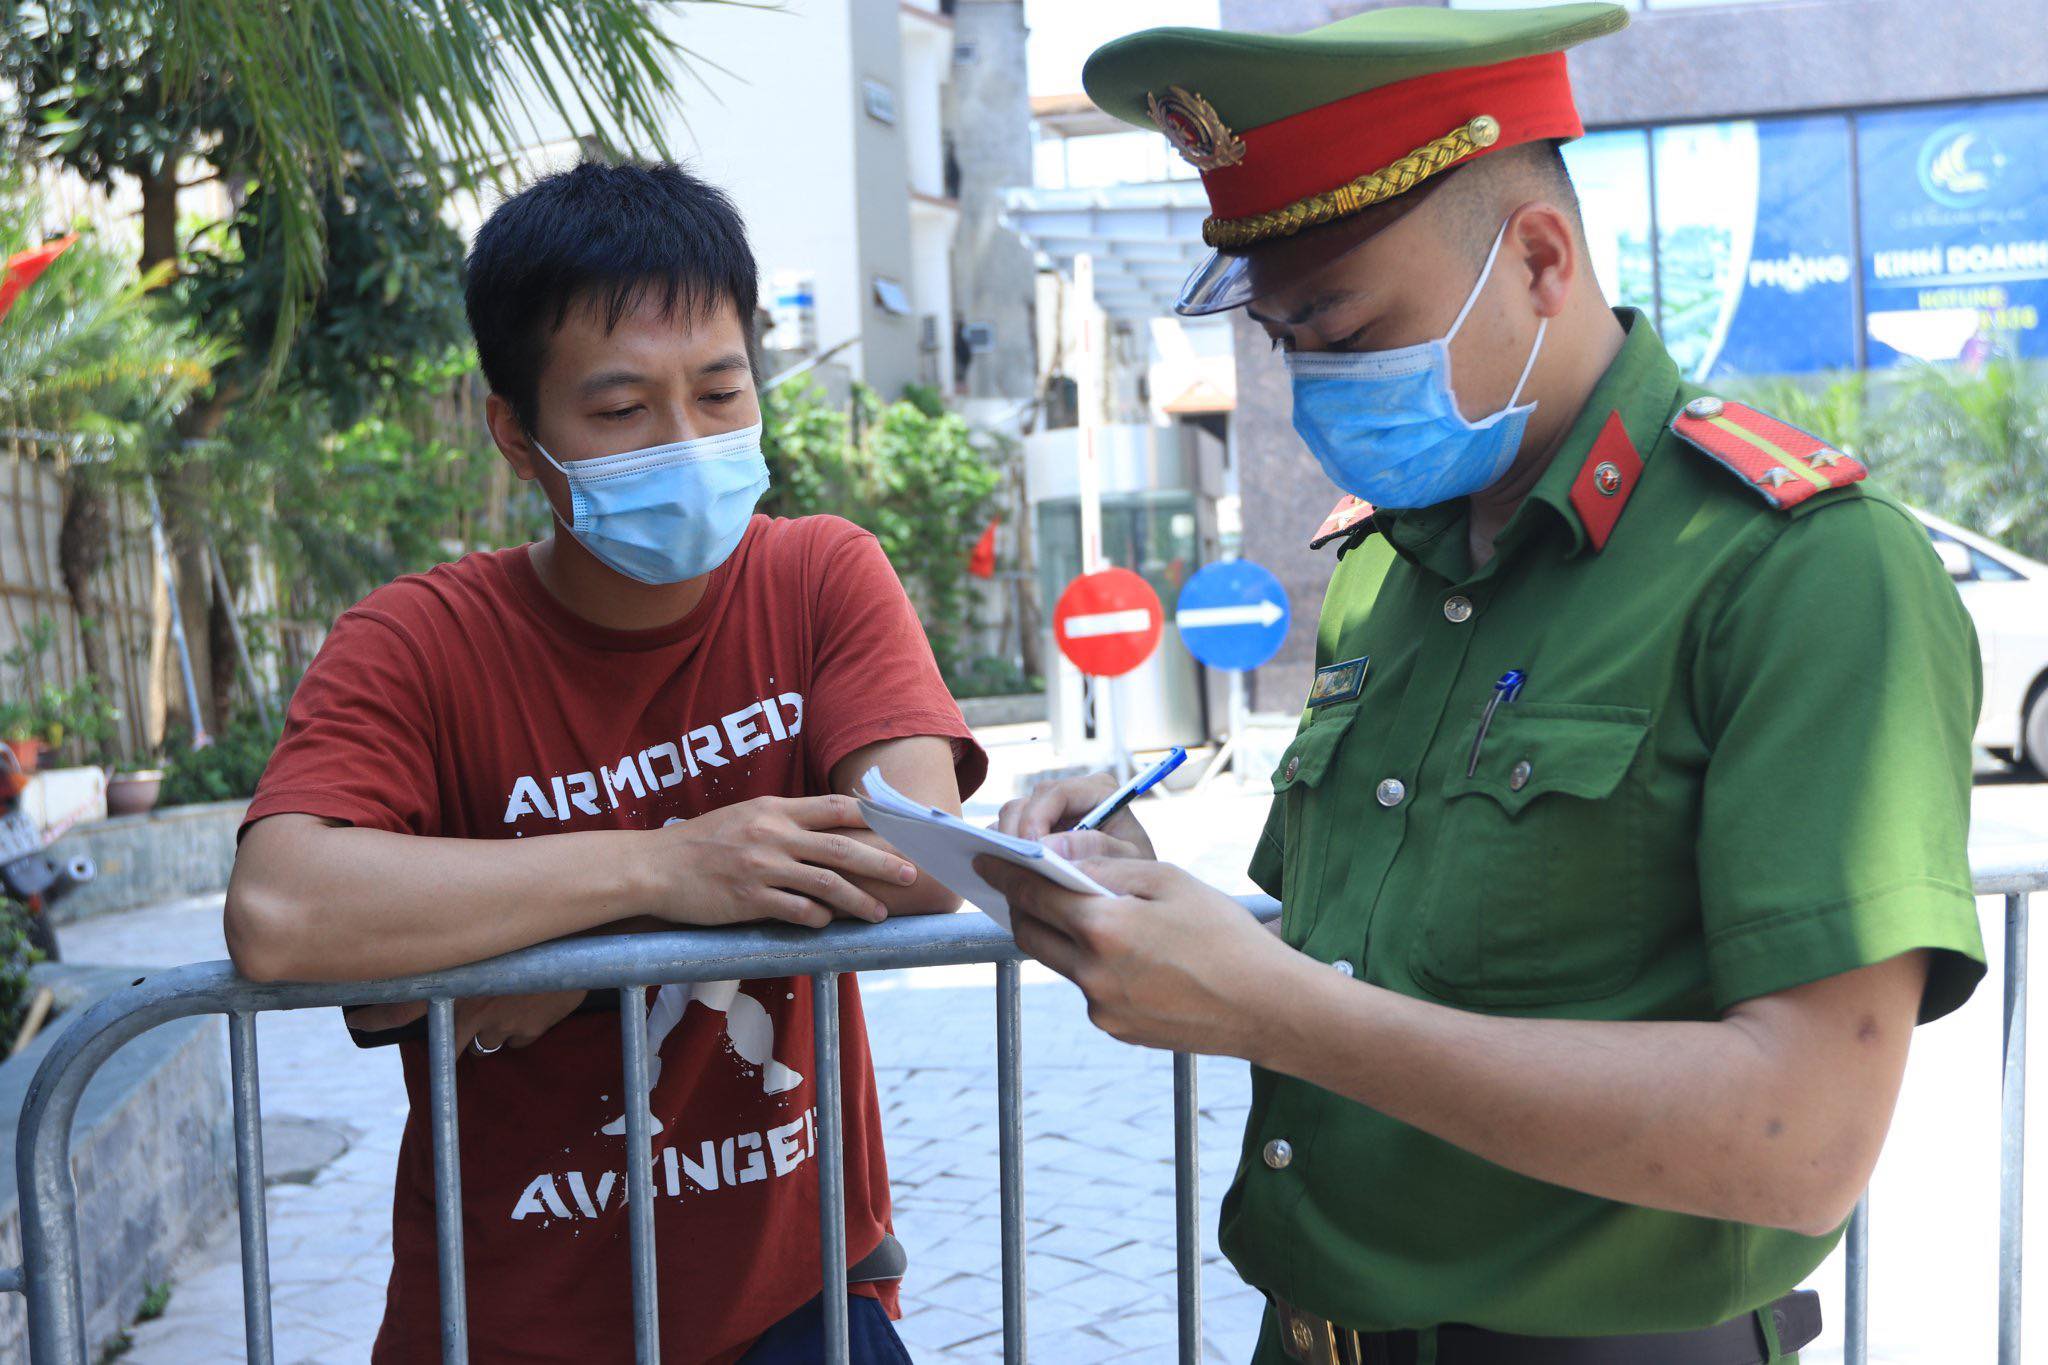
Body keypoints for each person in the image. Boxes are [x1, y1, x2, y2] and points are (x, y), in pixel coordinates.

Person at [988, 6, 1985, 1363]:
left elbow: (1797, 1140)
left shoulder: (1798, 572)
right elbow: (1361, 954)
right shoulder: (1383, 565)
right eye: (1285, 343)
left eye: (1349, 330)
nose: (1318, 389)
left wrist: (1274, 1009)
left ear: (1538, 259)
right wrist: (1150, 901)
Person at [224, 161, 986, 1364]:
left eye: (720, 392)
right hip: (507, 1324)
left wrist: (550, 957)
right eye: (622, 411)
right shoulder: (417, 641)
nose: (685, 441)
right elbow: (281, 910)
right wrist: (662, 871)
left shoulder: (819, 576)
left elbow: (919, 855)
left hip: (792, 1307)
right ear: (516, 435)